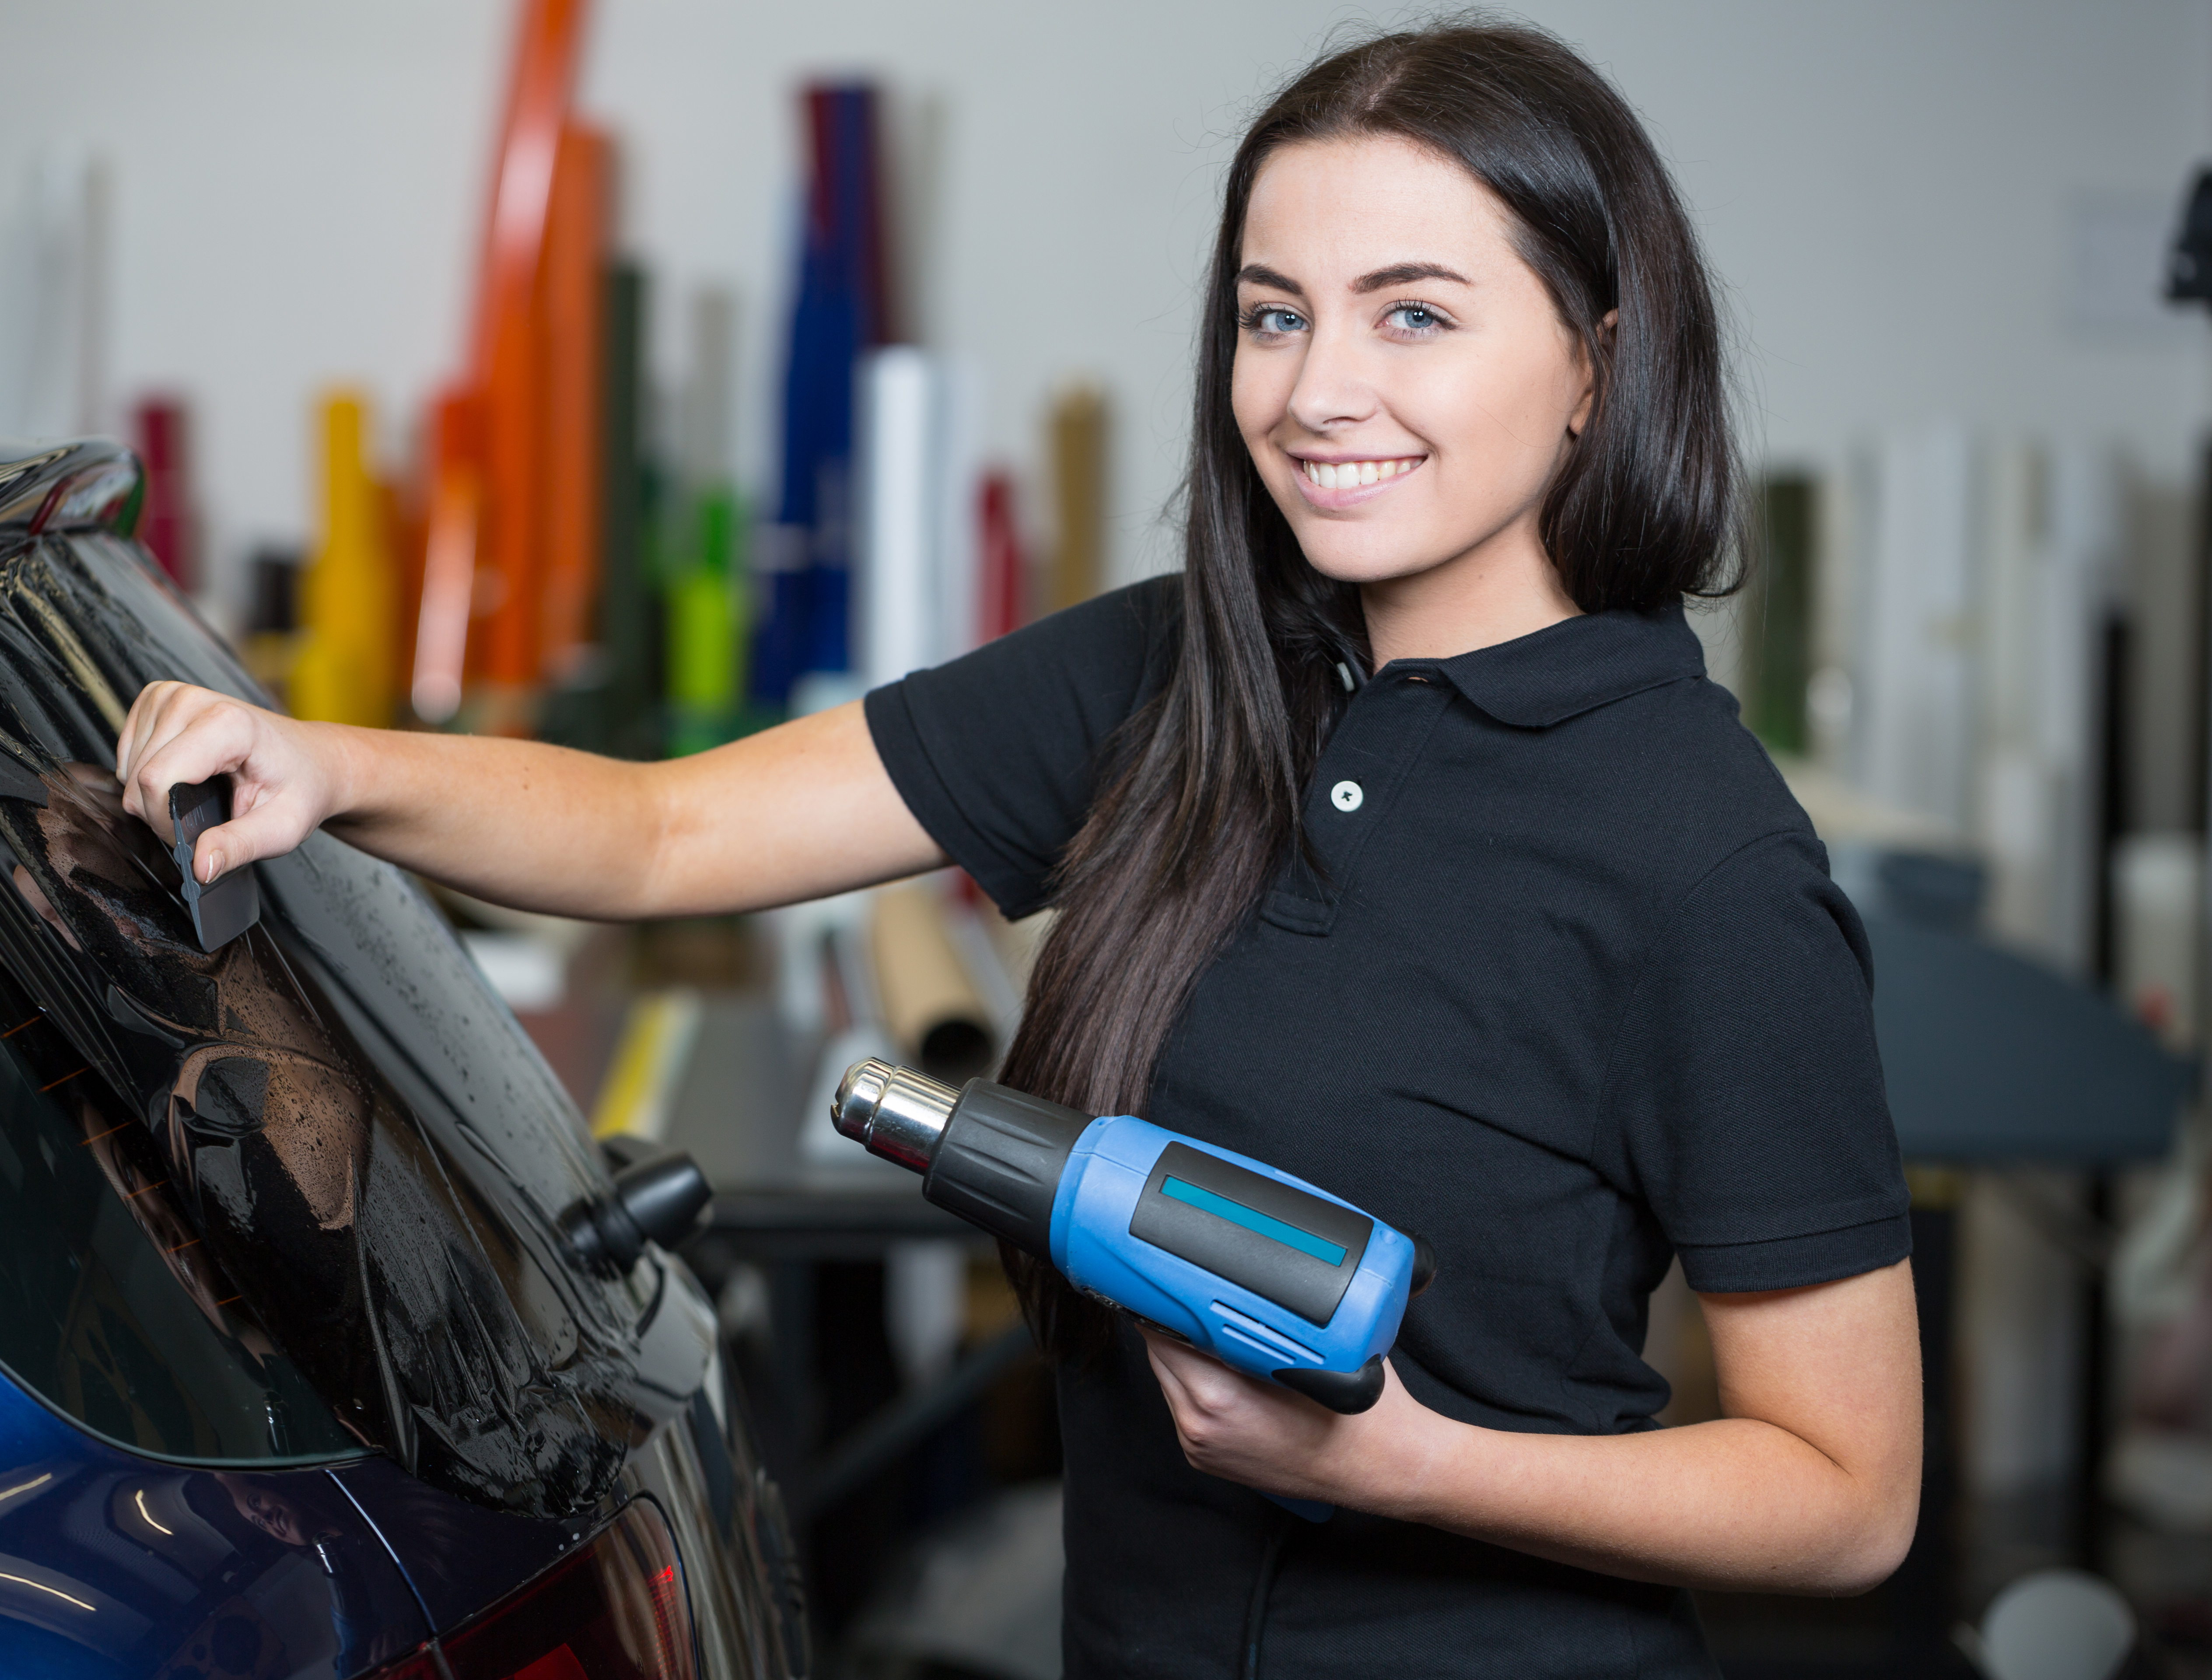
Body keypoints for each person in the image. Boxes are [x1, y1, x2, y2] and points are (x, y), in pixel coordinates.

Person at [118, 21, 1920, 1677]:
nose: (1315, 391)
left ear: (1597, 362)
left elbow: (1847, 1493)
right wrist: (322, 761)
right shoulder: (1184, 675)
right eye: (1274, 314)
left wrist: (1416, 1467)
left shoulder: (1698, 849)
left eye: (1416, 315)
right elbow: (667, 829)